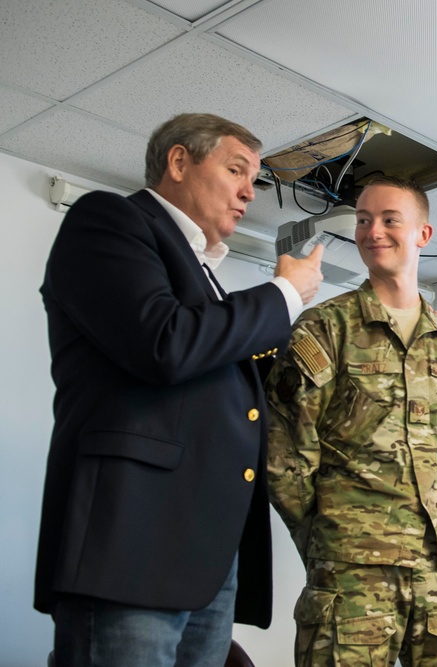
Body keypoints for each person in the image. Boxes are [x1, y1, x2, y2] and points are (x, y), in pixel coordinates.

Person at [35, 112, 325, 666]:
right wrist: (284, 293)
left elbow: (212, 377)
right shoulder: (108, 220)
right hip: (132, 545)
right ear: (178, 162)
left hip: (207, 555)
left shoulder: (206, 275)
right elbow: (164, 344)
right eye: (237, 169)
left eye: (254, 179)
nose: (249, 191)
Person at [266, 175, 437, 666]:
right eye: (364, 220)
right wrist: (328, 537)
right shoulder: (325, 326)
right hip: (352, 571)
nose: (373, 231)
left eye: (390, 219)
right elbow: (285, 454)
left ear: (423, 235)